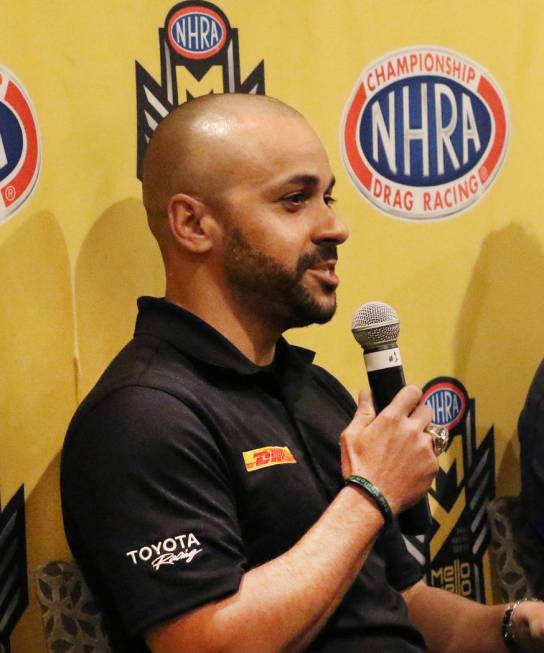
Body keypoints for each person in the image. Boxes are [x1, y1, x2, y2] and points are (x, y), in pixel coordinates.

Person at [61, 93, 544, 653]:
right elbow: (205, 644)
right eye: (295, 200)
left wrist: (516, 626)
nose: (335, 227)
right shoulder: (141, 417)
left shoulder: (311, 389)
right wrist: (370, 494)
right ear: (193, 223)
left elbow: (399, 604)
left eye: (328, 197)